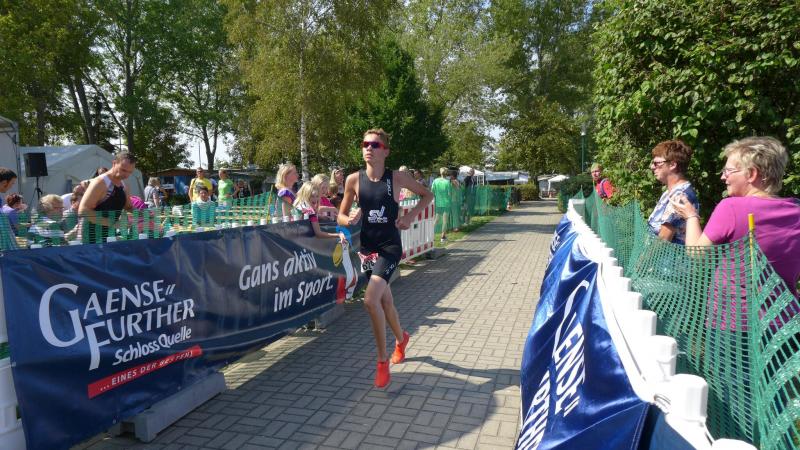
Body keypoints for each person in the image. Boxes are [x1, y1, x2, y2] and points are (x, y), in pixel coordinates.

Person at [338, 128, 434, 388]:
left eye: (375, 145)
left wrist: (409, 217)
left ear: (386, 151)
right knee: (385, 301)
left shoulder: (397, 177)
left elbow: (428, 195)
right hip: (368, 248)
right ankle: (402, 340)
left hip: (390, 247)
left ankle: (382, 361)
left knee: (370, 300)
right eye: (365, 144)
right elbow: (341, 216)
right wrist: (349, 218)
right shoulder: (353, 180)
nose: (369, 148)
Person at [671, 137, 800, 329]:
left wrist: (691, 216)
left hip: (734, 325)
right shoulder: (796, 211)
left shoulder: (731, 207)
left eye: (728, 171)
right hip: (785, 324)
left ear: (751, 174)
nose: (723, 177)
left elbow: (696, 253)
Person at [647, 140, 700, 244]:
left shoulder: (680, 197)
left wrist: (643, 255)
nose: (652, 167)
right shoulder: (670, 192)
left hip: (664, 255)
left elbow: (662, 241)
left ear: (672, 165)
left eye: (657, 163)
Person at [79, 152, 136, 242]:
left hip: (110, 235)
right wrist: (114, 223)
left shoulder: (124, 184)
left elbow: (128, 207)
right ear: (114, 163)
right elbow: (83, 211)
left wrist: (144, 215)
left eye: (130, 172)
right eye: (123, 170)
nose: (126, 175)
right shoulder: (100, 182)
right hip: (92, 237)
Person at [431, 167, 453, 242]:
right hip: (446, 203)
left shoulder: (435, 181)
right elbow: (449, 193)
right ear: (446, 173)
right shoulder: (447, 182)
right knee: (445, 221)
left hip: (438, 203)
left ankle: (431, 235)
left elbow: (432, 191)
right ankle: (443, 237)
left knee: (436, 220)